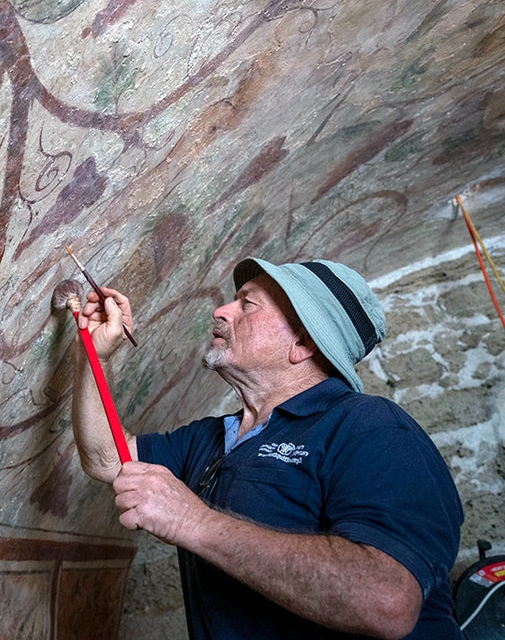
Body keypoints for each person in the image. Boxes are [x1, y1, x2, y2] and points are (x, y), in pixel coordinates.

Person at [72, 257, 463, 639]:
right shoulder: (210, 437)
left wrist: (192, 521)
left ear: (302, 342)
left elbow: (386, 599)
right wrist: (94, 353)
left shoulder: (369, 427)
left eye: (247, 303)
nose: (221, 310)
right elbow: (108, 458)